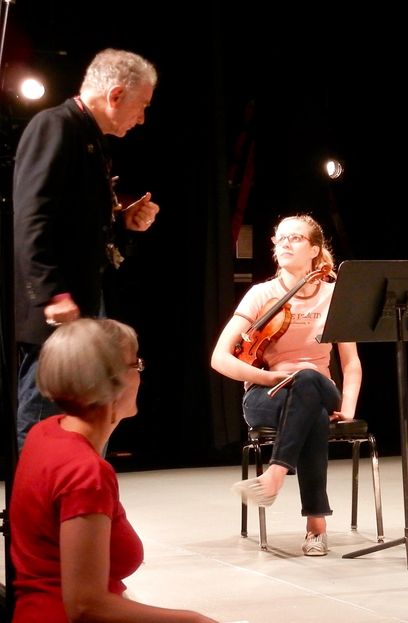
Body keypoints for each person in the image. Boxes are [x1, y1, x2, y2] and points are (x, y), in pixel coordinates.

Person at [10, 318, 217, 622]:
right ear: (112, 380)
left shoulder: (45, 432)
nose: (141, 376)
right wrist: (194, 619)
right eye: (137, 365)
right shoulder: (85, 472)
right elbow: (85, 606)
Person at [12, 48, 161, 450]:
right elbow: (31, 219)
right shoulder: (55, 126)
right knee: (47, 412)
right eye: (141, 105)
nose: (142, 117)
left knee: (85, 412)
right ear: (115, 95)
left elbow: (76, 223)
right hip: (57, 305)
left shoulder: (89, 139)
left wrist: (123, 223)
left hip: (79, 299)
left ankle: (77, 502)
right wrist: (51, 294)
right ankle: (37, 508)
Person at [210, 214, 362, 556]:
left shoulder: (335, 294)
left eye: (294, 238)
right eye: (280, 239)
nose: (284, 244)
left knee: (308, 379)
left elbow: (351, 364)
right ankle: (316, 526)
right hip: (267, 393)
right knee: (309, 411)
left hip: (322, 389)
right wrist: (268, 377)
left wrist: (348, 410)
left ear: (314, 249)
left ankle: (275, 475)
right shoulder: (261, 294)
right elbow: (219, 357)